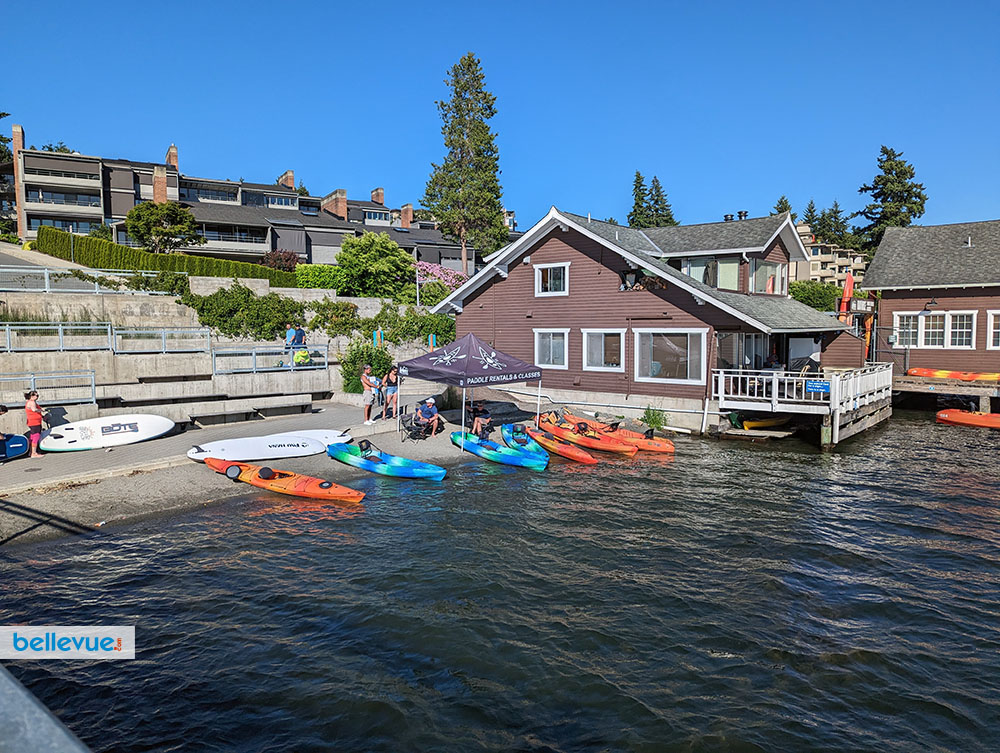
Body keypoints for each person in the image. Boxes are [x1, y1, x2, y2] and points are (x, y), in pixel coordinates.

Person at [24, 390, 45, 458]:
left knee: (33, 437)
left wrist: (41, 415)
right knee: (36, 436)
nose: (37, 396)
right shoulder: (32, 402)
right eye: (36, 395)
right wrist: (41, 410)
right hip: (34, 422)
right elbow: (34, 410)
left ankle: (31, 452)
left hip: (33, 422)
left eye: (37, 395)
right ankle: (34, 453)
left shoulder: (30, 402)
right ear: (31, 396)